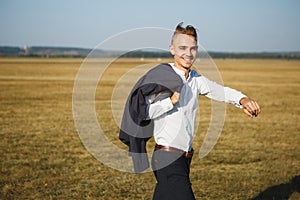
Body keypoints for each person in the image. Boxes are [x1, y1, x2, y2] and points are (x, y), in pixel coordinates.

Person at [119, 22, 260, 199]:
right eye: (182, 47)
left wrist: (243, 99)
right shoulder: (162, 77)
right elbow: (143, 112)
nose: (188, 53)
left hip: (185, 158)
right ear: (172, 49)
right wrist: (170, 102)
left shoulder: (195, 79)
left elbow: (220, 91)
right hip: (166, 157)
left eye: (192, 48)